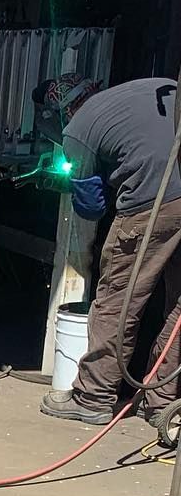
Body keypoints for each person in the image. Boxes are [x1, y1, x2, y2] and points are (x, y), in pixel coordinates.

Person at [37, 74, 181, 428]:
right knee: (179, 307)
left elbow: (92, 208)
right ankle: (162, 401)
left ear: (60, 111)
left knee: (118, 299)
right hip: (169, 189)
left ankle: (93, 397)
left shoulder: (78, 129)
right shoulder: (147, 87)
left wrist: (78, 181)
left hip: (152, 201)